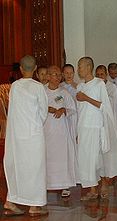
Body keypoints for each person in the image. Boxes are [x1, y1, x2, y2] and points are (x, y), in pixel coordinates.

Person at [76, 57, 117, 200]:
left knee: (99, 158)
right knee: (87, 159)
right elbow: (79, 110)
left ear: (88, 67)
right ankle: (92, 189)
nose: (78, 69)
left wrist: (86, 98)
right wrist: (77, 131)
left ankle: (104, 184)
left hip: (96, 126)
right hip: (83, 127)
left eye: (80, 66)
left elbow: (104, 106)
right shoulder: (80, 87)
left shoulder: (99, 84)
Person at [3, 55, 48, 216]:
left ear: (21, 69)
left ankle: (11, 201)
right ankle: (34, 206)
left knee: (18, 167)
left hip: (16, 136)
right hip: (33, 135)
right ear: (36, 68)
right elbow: (43, 113)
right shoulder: (38, 87)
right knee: (35, 169)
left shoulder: (14, 86)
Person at [44, 65, 78, 197]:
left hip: (61, 133)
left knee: (62, 157)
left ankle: (64, 185)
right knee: (47, 157)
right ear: (48, 76)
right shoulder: (42, 91)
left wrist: (63, 110)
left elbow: (72, 109)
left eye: (59, 75)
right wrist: (47, 109)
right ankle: (46, 184)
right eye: (54, 74)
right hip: (46, 132)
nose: (58, 77)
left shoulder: (64, 93)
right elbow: (36, 108)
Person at [95, 65, 117, 134]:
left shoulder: (112, 87)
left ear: (106, 75)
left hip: (108, 116)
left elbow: (112, 102)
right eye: (97, 75)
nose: (99, 76)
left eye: (102, 74)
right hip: (97, 117)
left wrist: (101, 98)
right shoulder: (94, 86)